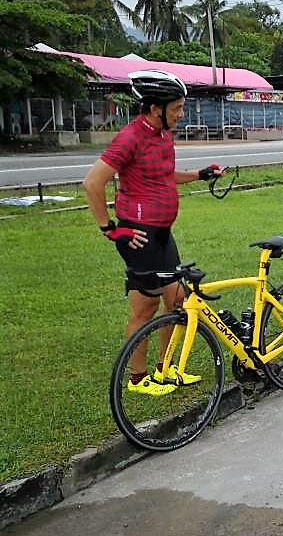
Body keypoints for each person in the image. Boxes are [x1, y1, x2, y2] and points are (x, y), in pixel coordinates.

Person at [83, 69, 223, 396]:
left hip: (162, 234)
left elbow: (165, 175)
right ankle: (138, 378)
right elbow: (92, 183)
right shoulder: (130, 137)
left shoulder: (162, 135)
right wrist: (111, 230)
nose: (181, 114)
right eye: (176, 108)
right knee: (144, 309)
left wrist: (201, 175)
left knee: (176, 302)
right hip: (138, 235)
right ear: (155, 108)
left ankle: (165, 369)